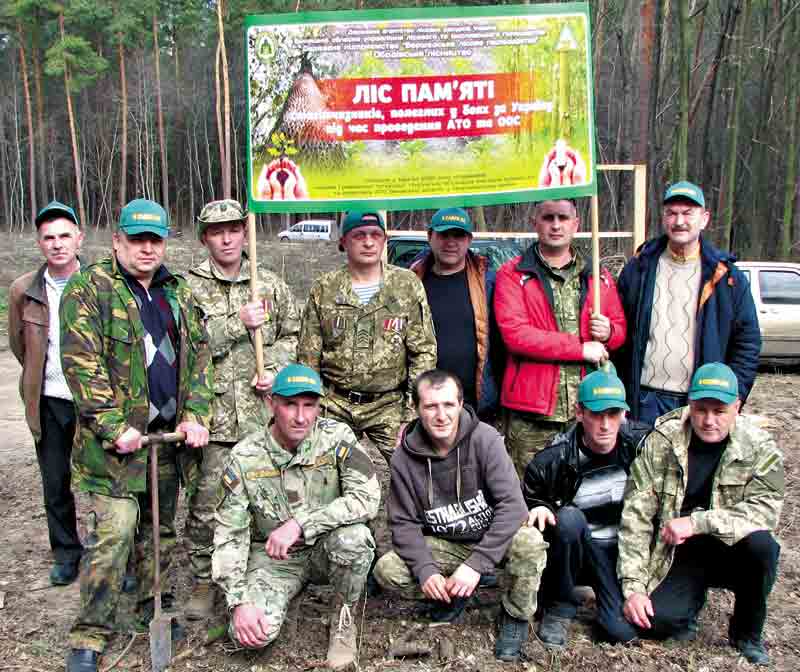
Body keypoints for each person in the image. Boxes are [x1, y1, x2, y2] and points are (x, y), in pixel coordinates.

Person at [61, 199, 213, 672]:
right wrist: (113, 427)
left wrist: (194, 414)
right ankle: (90, 633)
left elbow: (200, 363)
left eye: (156, 240)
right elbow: (80, 366)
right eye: (138, 239)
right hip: (114, 451)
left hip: (166, 443)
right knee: (117, 532)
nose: (148, 249)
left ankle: (155, 607)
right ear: (117, 240)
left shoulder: (179, 293)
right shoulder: (90, 289)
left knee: (160, 533)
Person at [212, 364, 380, 669]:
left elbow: (367, 498)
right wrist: (238, 602)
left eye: (309, 406)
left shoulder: (338, 437)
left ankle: (343, 618)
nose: (301, 417)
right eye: (290, 405)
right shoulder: (244, 456)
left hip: (327, 550)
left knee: (355, 539)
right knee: (248, 635)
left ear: (319, 406)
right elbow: (229, 534)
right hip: (275, 561)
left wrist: (302, 523)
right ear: (271, 402)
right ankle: (286, 595)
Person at [373, 369, 547, 662]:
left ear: (460, 403)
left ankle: (515, 614)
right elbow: (403, 523)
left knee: (529, 542)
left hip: (491, 537)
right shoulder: (404, 458)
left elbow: (513, 506)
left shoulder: (485, 439)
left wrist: (476, 565)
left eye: (448, 405)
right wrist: (426, 570)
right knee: (388, 570)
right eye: (431, 406)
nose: (441, 415)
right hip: (447, 542)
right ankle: (453, 594)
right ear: (417, 409)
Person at [617, 363, 783, 665]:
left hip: (730, 547)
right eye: (700, 410)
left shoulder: (760, 446)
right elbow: (636, 517)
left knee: (764, 546)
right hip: (679, 550)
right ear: (689, 404)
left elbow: (765, 511)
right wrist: (634, 589)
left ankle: (747, 632)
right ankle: (687, 605)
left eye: (719, 412)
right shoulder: (662, 440)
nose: (708, 421)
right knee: (653, 623)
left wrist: (698, 522)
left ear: (737, 406)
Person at [184, 198, 300, 619]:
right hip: (214, 419)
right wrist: (238, 321)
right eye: (217, 231)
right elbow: (187, 347)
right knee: (208, 504)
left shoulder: (267, 282)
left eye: (234, 228)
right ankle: (202, 579)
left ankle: (260, 571)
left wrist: (276, 366)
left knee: (268, 499)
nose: (228, 237)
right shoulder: (189, 288)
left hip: (262, 416)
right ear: (205, 238)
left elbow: (295, 334)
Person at [494, 199, 627, 477]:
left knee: (583, 487)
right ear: (536, 223)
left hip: (587, 408)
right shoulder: (513, 274)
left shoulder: (597, 276)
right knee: (529, 491)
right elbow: (516, 335)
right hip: (533, 413)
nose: (556, 225)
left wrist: (609, 332)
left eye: (563, 218)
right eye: (548, 217)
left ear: (575, 224)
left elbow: (619, 331)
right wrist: (580, 349)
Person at [522, 369, 651, 648]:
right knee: (568, 519)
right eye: (597, 414)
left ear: (624, 414)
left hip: (623, 552)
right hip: (578, 549)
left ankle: (604, 596)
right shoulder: (551, 460)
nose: (605, 424)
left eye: (613, 414)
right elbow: (528, 501)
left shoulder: (643, 446)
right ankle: (560, 604)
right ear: (579, 413)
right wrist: (540, 508)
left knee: (619, 632)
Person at [614, 181, 761, 424]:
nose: (679, 221)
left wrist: (734, 397)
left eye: (687, 213)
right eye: (672, 213)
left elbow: (747, 343)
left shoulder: (727, 277)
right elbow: (619, 331)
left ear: (704, 219)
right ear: (663, 218)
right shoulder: (639, 268)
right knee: (644, 462)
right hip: (644, 400)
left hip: (703, 404)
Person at [298, 209, 437, 463]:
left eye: (375, 234)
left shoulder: (406, 285)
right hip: (334, 403)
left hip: (389, 404)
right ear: (343, 242)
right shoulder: (324, 288)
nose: (369, 242)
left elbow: (423, 352)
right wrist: (310, 409)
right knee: (320, 471)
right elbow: (308, 358)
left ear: (384, 240)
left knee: (415, 468)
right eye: (359, 235)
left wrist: (412, 412)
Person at [8, 201, 85, 585]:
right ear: (40, 243)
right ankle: (67, 553)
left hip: (94, 402)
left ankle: (118, 558)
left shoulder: (100, 282)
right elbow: (20, 346)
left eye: (64, 236)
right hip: (50, 401)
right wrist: (39, 383)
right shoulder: (23, 290)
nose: (57, 244)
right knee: (55, 482)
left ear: (79, 239)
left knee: (112, 485)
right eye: (49, 238)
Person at [409, 207, 502, 421]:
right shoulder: (411, 281)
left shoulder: (488, 282)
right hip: (426, 403)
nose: (451, 242)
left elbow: (500, 346)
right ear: (430, 237)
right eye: (443, 235)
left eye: (458, 235)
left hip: (476, 406)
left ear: (469, 239)